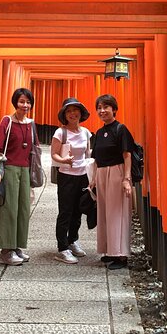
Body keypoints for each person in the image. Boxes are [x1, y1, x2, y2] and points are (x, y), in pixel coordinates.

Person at [0, 88, 37, 266]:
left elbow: (33, 151)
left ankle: (17, 246)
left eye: (28, 102)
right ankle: (6, 250)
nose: (25, 105)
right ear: (15, 103)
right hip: (9, 168)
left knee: (23, 209)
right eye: (21, 101)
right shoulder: (7, 121)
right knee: (9, 208)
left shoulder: (31, 124)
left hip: (24, 170)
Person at [89, 94, 135, 270]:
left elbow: (127, 155)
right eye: (99, 108)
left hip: (117, 172)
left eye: (106, 107)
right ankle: (109, 249)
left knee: (117, 213)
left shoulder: (121, 129)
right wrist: (94, 178)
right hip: (101, 174)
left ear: (114, 109)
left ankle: (121, 255)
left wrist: (126, 178)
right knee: (105, 213)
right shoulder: (100, 132)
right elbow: (96, 158)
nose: (102, 111)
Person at [51, 98, 92, 264]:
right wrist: (63, 160)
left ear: (81, 113)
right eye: (69, 111)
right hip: (66, 175)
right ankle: (62, 248)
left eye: (75, 110)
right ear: (64, 115)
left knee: (78, 211)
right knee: (65, 211)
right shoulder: (60, 133)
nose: (72, 114)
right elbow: (53, 153)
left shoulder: (86, 132)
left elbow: (88, 153)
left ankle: (73, 240)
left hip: (83, 175)